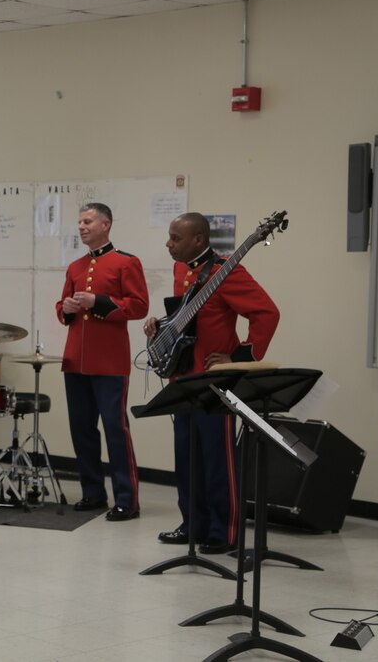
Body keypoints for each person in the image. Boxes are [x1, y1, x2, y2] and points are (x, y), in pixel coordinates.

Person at [145, 212, 280, 554]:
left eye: (175, 238)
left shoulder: (227, 272)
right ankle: (192, 524)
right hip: (182, 378)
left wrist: (239, 358)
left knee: (217, 460)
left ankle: (224, 531)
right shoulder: (181, 269)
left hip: (213, 381)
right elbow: (189, 319)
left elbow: (267, 313)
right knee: (186, 458)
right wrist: (161, 327)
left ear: (199, 240)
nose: (168, 243)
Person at [56, 203, 149, 521]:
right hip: (75, 361)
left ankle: (127, 498)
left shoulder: (126, 262)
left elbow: (138, 306)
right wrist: (67, 307)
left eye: (88, 221)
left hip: (109, 361)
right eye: (79, 221)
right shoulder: (76, 266)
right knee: (81, 430)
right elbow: (62, 307)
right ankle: (92, 492)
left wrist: (100, 302)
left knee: (114, 429)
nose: (81, 226)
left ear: (106, 224)